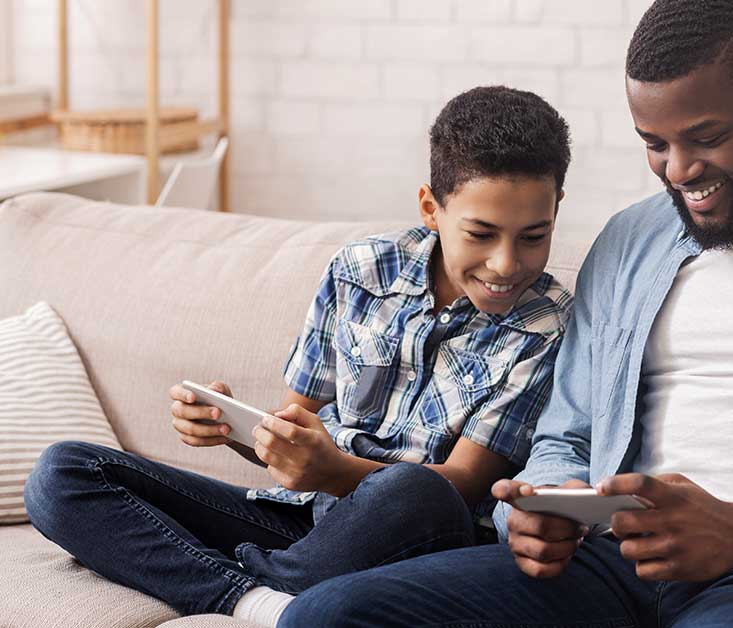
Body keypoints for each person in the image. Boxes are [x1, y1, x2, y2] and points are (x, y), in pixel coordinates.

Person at [278, 1, 733, 626]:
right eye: (654, 145)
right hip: (607, 567)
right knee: (328, 617)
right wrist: (541, 515)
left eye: (706, 138)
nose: (679, 172)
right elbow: (565, 438)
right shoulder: (631, 241)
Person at [23, 85, 574, 627]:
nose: (505, 263)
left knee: (414, 489)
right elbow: (293, 429)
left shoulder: (549, 323)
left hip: (416, 537)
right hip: (302, 522)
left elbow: (463, 484)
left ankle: (225, 582)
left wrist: (337, 472)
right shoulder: (361, 270)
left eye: (533, 236)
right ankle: (259, 598)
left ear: (556, 212)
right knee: (63, 473)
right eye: (481, 233)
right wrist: (236, 427)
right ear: (431, 207)